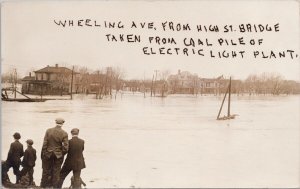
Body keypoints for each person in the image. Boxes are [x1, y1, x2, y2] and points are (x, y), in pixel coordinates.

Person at [40, 118, 69, 188]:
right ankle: (54, 187)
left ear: (55, 122)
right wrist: (61, 154)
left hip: (48, 154)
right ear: (62, 124)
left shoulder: (48, 130)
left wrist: (44, 152)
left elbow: (44, 143)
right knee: (56, 172)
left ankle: (42, 186)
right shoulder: (64, 133)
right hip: (58, 155)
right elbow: (66, 148)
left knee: (45, 171)